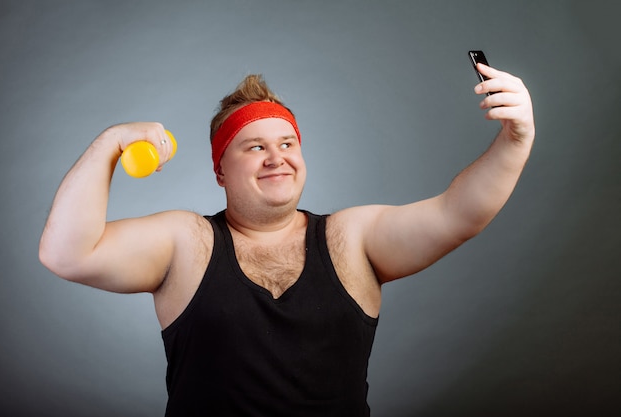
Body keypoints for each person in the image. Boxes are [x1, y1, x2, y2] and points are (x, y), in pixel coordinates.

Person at [39, 62, 535, 416]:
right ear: (220, 171)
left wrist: (515, 140)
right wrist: (110, 143)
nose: (277, 157)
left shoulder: (351, 236)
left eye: (287, 143)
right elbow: (67, 253)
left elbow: (457, 214)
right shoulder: (184, 241)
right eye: (254, 146)